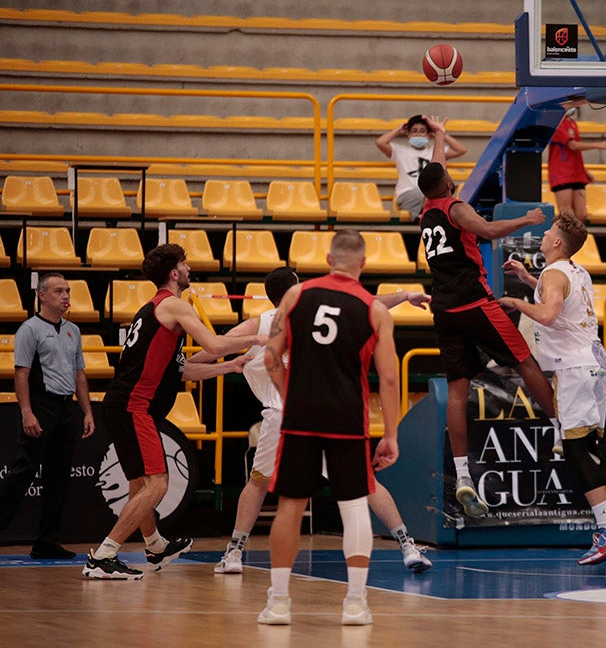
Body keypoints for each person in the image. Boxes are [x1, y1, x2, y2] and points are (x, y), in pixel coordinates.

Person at [202, 267, 431, 575]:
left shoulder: (258, 324)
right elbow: (368, 303)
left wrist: (214, 361)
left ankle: (233, 554)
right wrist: (404, 295)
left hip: (284, 415)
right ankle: (408, 547)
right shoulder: (322, 312)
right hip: (327, 412)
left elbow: (213, 346)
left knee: (257, 484)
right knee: (366, 483)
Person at [82, 244, 267, 580]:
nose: (188, 268)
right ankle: (104, 555)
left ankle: (155, 546)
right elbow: (212, 345)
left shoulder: (154, 309)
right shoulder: (174, 305)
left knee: (141, 486)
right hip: (133, 406)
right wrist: (256, 339)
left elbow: (181, 371)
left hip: (122, 404)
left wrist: (231, 367)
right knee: (157, 484)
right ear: (173, 273)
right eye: (184, 263)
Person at [418, 115, 560, 518]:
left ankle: (463, 476)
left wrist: (439, 135)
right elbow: (490, 231)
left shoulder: (427, 209)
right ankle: (559, 430)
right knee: (524, 360)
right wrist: (527, 220)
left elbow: (435, 170)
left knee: (458, 391)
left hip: (444, 311)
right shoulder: (456, 208)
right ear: (446, 185)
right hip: (475, 304)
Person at [257, 230, 400, 627]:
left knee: (290, 506)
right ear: (364, 264)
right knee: (354, 507)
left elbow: (271, 357)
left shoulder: (295, 296)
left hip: (301, 415)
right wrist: (390, 434)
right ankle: (355, 603)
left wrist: (290, 396)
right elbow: (388, 379)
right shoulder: (374, 309)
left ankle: (279, 602)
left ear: (327, 260)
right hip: (348, 419)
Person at [499, 214, 606, 565]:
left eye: (549, 231)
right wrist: (528, 279)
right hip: (593, 364)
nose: (543, 233)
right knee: (584, 445)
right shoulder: (575, 270)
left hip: (575, 368)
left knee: (575, 449)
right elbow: (561, 303)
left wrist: (514, 302)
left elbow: (549, 315)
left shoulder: (554, 274)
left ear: (557, 242)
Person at [0, 273, 94, 559]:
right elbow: (22, 373)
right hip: (41, 405)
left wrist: (87, 410)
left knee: (59, 477)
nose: (65, 296)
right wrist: (27, 412)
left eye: (67, 291)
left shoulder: (73, 330)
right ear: (42, 296)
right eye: (58, 292)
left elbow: (79, 373)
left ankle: (46, 541)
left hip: (66, 408)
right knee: (23, 471)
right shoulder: (30, 329)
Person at [375, 113, 467, 220]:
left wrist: (440, 132)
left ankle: (430, 218)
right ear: (408, 134)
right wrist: (398, 131)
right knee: (434, 197)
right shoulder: (400, 151)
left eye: (422, 131)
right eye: (414, 131)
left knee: (441, 194)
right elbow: (380, 142)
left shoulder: (435, 151)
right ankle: (425, 218)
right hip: (408, 193)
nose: (418, 134)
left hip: (430, 193)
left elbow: (461, 149)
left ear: (429, 134)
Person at [547, 108, 606, 221]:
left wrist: (584, 171)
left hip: (576, 173)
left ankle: (578, 238)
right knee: (566, 214)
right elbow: (573, 146)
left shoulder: (572, 123)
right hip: (562, 173)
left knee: (582, 214)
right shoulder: (556, 124)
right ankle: (565, 238)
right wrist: (598, 145)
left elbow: (575, 152)